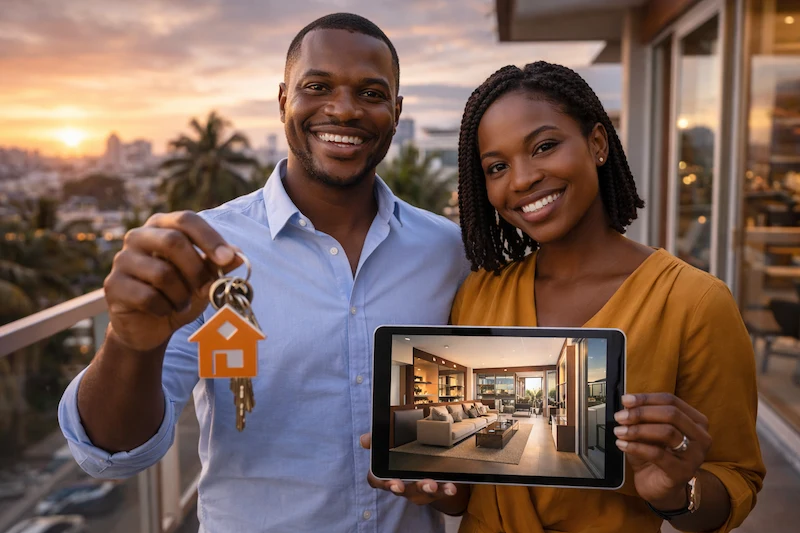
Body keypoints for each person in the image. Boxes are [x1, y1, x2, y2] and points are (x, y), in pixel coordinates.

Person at [58, 13, 469, 533]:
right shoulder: (208, 252)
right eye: (317, 87)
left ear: (396, 111)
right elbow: (110, 455)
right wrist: (129, 341)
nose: (343, 109)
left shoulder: (447, 250)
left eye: (371, 93)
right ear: (282, 101)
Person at [366, 61, 765, 532]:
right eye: (497, 166)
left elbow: (734, 481)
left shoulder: (692, 301)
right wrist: (428, 479)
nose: (522, 179)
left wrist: (677, 493)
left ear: (597, 144)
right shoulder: (480, 292)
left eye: (545, 147)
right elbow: (465, 494)